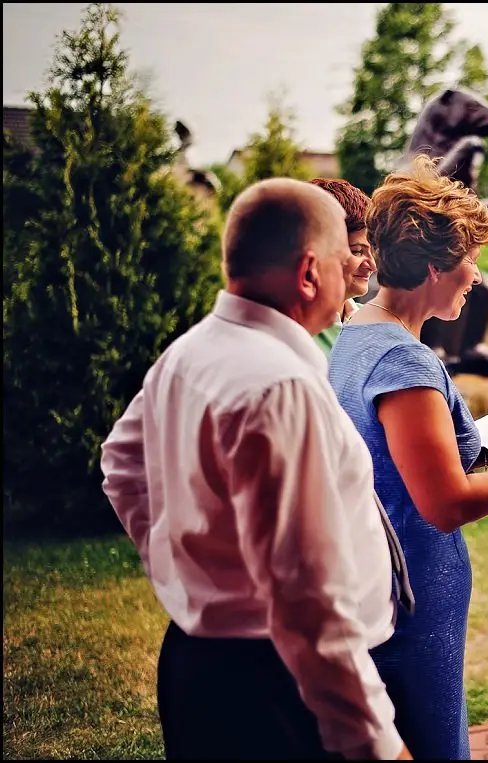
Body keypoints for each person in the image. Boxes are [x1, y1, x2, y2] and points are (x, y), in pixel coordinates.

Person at [100, 178, 413, 760]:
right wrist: (377, 743)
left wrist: (193, 568)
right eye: (344, 258)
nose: (356, 271)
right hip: (277, 690)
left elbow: (120, 465)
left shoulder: (189, 351)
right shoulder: (282, 386)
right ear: (309, 273)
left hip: (200, 660)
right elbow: (308, 597)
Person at [328, 155, 488, 760]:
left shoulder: (355, 335)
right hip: (413, 594)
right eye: (470, 257)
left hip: (378, 580)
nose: (476, 275)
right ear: (435, 267)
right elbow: (444, 503)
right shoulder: (403, 360)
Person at [310, 178, 376, 357]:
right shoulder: (291, 331)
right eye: (357, 251)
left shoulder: (376, 323)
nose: (372, 265)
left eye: (372, 251)